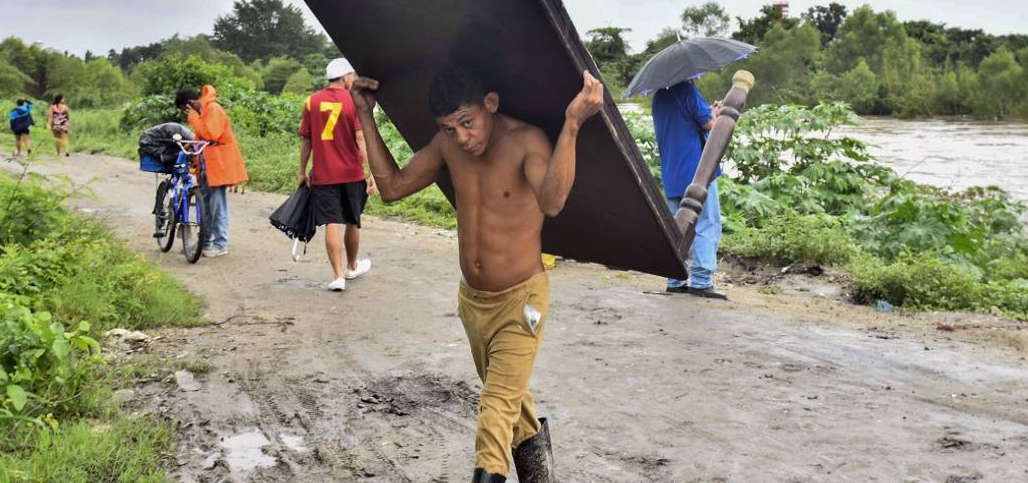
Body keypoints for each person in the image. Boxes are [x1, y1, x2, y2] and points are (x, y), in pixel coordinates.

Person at [353, 65, 603, 483]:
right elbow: (393, 188)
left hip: (522, 301)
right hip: (473, 304)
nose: (462, 137)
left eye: (467, 122)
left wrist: (573, 123)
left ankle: (487, 474)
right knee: (510, 399)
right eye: (449, 128)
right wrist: (365, 116)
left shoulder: (526, 141)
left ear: (491, 104)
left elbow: (553, 201)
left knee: (495, 406)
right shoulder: (447, 147)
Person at [298, 58, 377, 292]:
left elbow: (306, 140)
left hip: (323, 175)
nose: (353, 80)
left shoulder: (311, 102)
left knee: (331, 221)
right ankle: (352, 266)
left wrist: (302, 171)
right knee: (353, 220)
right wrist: (371, 172)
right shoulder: (353, 101)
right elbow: (361, 138)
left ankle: (338, 275)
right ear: (345, 78)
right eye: (351, 76)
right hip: (352, 173)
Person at [651, 80, 727, 299]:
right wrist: (719, 113)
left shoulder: (659, 97)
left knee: (679, 229)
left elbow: (683, 123)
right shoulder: (687, 90)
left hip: (672, 172)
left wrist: (709, 112)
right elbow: (710, 125)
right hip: (698, 171)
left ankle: (675, 279)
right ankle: (702, 281)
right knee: (706, 223)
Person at [175, 86, 247, 258]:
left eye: (186, 109)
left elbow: (211, 134)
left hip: (219, 163)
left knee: (217, 205)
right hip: (207, 164)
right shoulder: (204, 111)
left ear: (190, 103)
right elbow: (202, 135)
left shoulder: (213, 108)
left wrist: (192, 117)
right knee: (205, 205)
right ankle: (205, 243)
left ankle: (220, 244)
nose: (188, 113)